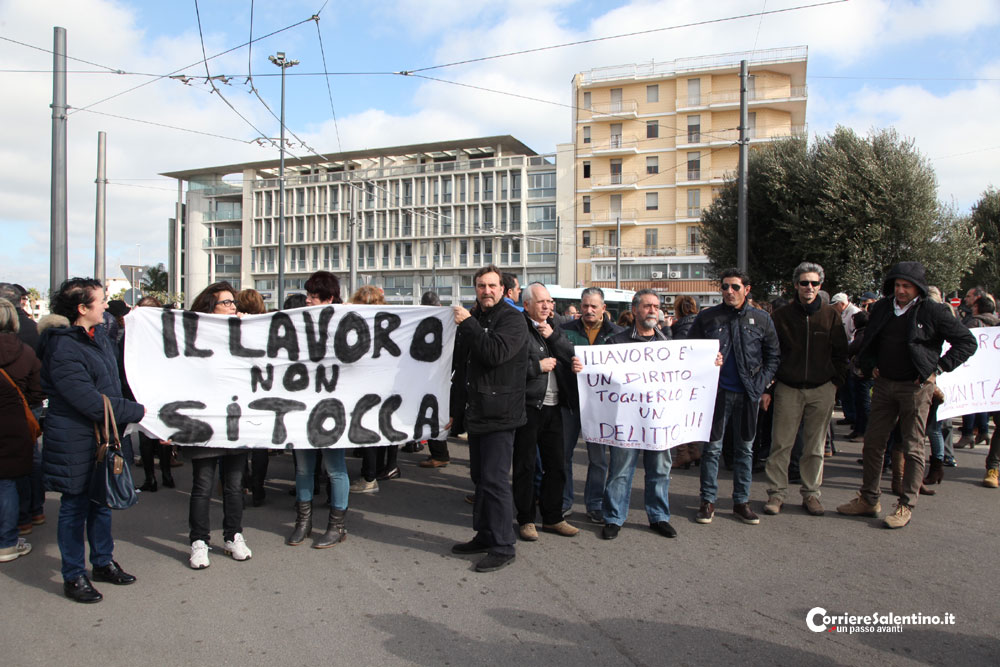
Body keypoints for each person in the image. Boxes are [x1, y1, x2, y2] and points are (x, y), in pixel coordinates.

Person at [836, 262, 976, 529]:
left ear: (918, 288)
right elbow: (870, 340)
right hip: (884, 384)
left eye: (906, 286)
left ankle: (905, 505)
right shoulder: (882, 308)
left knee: (912, 447)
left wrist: (938, 368)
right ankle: (868, 499)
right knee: (873, 444)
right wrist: (870, 364)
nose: (900, 291)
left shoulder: (933, 311)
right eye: (897, 285)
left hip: (915, 387)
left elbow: (967, 342)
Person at [39, 278, 145, 602]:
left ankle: (102, 562)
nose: (106, 305)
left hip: (101, 437)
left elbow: (113, 383)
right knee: (74, 508)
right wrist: (139, 410)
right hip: (74, 441)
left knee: (101, 502)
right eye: (100, 301)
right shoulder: (63, 347)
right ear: (82, 308)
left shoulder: (97, 337)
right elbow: (89, 400)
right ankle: (74, 575)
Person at [686, 268, 780, 526]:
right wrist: (706, 362)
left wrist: (761, 386)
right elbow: (689, 351)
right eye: (725, 287)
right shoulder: (708, 318)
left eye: (735, 287)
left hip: (748, 394)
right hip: (716, 394)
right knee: (713, 449)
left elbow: (773, 357)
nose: (729, 291)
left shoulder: (762, 319)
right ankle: (707, 501)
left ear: (746, 290)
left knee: (745, 450)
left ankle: (741, 501)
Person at [449, 265, 528, 573]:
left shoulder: (513, 319)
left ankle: (503, 545)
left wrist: (468, 325)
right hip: (478, 411)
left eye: (492, 286)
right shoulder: (476, 317)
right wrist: (455, 412)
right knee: (480, 479)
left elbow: (494, 353)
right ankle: (484, 535)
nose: (486, 291)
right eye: (481, 286)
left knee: (495, 481)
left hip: (501, 414)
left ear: (503, 289)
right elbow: (462, 367)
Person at [763, 263, 848, 517]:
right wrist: (770, 386)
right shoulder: (781, 316)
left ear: (820, 286)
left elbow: (841, 352)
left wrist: (836, 383)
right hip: (788, 388)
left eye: (813, 283)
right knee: (781, 445)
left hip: (822, 388)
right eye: (804, 283)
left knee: (815, 446)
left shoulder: (831, 315)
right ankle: (776, 494)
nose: (809, 287)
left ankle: (811, 494)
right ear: (795, 285)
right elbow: (772, 353)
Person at [594, 289, 679, 540]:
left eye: (656, 306)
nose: (653, 310)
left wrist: (710, 363)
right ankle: (614, 517)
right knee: (620, 469)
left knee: (660, 469)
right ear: (634, 310)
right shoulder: (616, 343)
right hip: (626, 421)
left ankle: (659, 516)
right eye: (647, 306)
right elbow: (600, 375)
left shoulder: (668, 345)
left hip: (658, 420)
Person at [185, 282, 253, 568]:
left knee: (234, 486)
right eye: (226, 303)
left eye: (233, 302)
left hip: (235, 421)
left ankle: (233, 535)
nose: (232, 307)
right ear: (209, 308)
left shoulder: (243, 332)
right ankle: (199, 541)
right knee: (203, 485)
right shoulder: (193, 336)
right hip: (205, 423)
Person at [286, 271, 350, 549]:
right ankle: (303, 523)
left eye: (313, 296)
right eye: (308, 295)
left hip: (333, 408)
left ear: (329, 298)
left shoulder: (345, 324)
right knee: (303, 469)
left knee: (335, 467)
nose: (308, 300)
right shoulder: (299, 322)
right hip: (303, 407)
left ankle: (336, 526)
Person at [512, 283, 578, 541]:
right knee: (526, 467)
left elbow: (571, 355)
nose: (547, 306)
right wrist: (536, 367)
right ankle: (526, 519)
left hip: (555, 406)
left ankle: (553, 517)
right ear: (526, 304)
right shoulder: (517, 326)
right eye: (541, 302)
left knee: (556, 465)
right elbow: (509, 364)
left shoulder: (556, 327)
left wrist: (552, 336)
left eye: (549, 301)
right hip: (529, 406)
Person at [560, 287, 624, 522]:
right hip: (569, 403)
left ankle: (594, 503)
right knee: (564, 456)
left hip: (600, 409)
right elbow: (556, 361)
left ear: (603, 309)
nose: (588, 310)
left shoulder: (618, 335)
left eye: (593, 306)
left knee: (598, 459)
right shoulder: (564, 330)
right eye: (585, 305)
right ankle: (565, 501)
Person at [1, 298, 44, 562]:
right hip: (18, 417)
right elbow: (39, 389)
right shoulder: (26, 351)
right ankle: (24, 522)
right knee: (14, 475)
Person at [118, 296, 175, 493]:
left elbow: (122, 362)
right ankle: (167, 474)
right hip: (163, 388)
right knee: (162, 433)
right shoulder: (165, 331)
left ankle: (151, 478)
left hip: (140, 390)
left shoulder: (132, 333)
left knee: (146, 435)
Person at [350, 285, 401, 492]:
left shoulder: (359, 328)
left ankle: (369, 477)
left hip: (367, 388)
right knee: (377, 431)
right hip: (384, 387)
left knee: (368, 432)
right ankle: (375, 471)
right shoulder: (390, 325)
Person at [235, 289, 270, 506]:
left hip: (239, 389)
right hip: (262, 389)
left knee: (239, 441)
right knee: (259, 443)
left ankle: (241, 483)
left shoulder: (232, 325)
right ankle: (258, 486)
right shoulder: (267, 326)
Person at [417, 291, 450, 467]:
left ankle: (440, 454)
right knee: (432, 414)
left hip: (434, 377)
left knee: (431, 415)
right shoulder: (445, 321)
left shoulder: (427, 322)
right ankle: (439, 453)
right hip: (436, 376)